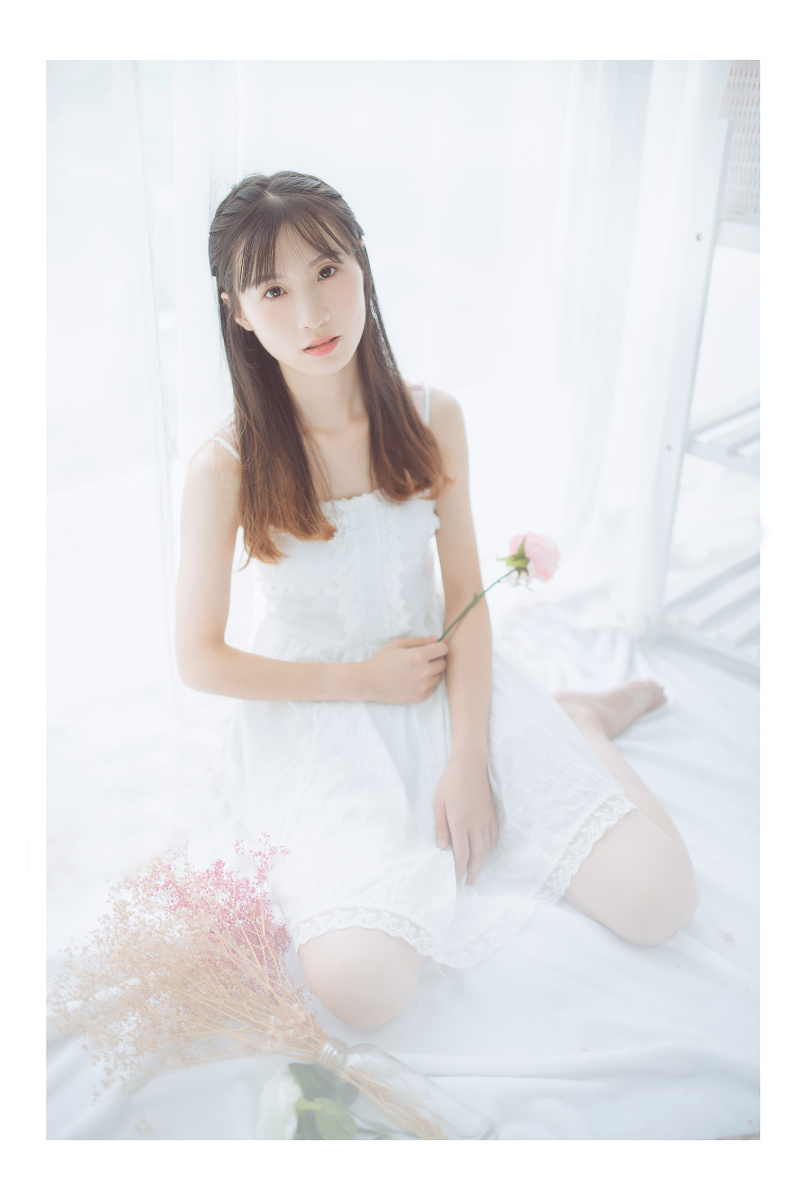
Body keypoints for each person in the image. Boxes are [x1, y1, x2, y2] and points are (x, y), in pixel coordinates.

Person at [175, 171, 699, 1031]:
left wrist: (467, 758)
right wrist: (359, 682)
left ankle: (583, 722)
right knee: (366, 990)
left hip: (443, 673)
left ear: (362, 264)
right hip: (317, 714)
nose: (311, 313)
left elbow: (463, 596)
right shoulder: (226, 465)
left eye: (327, 270)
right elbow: (199, 660)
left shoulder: (430, 416)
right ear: (238, 312)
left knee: (661, 900)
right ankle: (568, 722)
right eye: (274, 290)